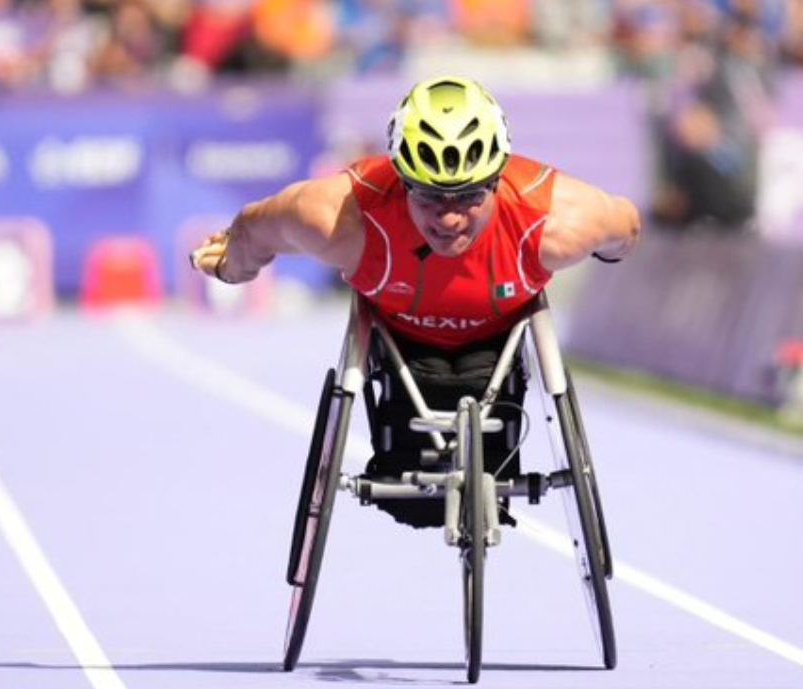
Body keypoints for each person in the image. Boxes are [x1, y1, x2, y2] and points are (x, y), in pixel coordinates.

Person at [191, 75, 641, 527]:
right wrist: (234, 266)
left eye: (468, 197)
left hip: (499, 348)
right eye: (429, 197)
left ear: (497, 180)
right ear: (404, 182)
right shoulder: (341, 218)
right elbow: (255, 228)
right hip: (398, 351)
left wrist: (610, 246)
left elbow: (626, 225)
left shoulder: (556, 221)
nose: (448, 218)